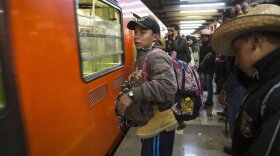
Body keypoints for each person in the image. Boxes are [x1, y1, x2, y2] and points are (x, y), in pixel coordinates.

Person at [211, 4, 280, 156]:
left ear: (256, 41)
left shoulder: (276, 92)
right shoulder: (263, 77)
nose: (236, 61)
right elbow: (242, 76)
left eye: (237, 51)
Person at [117, 15, 178, 156]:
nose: (136, 37)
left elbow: (167, 86)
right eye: (135, 32)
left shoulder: (156, 55)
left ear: (155, 37)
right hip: (151, 123)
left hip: (159, 127)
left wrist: (132, 95)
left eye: (142, 32)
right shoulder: (144, 53)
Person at [199, 29, 216, 107]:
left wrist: (204, 64)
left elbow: (212, 58)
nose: (204, 38)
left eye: (206, 36)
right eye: (202, 36)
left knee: (209, 85)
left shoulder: (212, 46)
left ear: (209, 37)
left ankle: (209, 101)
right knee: (201, 84)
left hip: (209, 69)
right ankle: (200, 100)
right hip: (202, 69)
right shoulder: (201, 45)